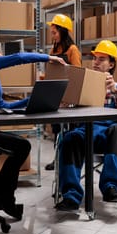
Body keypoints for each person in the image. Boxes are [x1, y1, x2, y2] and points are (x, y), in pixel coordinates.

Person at [0, 38, 66, 220]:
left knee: (20, 146)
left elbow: (1, 104)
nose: (1, 54)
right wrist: (47, 58)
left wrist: (33, 99)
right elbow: (18, 57)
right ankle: (3, 195)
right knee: (22, 146)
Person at [56, 40, 117, 211]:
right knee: (69, 138)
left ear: (111, 64)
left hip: (108, 135)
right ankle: (71, 195)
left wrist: (114, 91)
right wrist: (67, 104)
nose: (96, 62)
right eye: (95, 58)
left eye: (101, 59)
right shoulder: (84, 86)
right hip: (85, 131)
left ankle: (111, 187)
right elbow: (71, 111)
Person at [45, 13, 82, 170]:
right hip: (56, 94)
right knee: (57, 129)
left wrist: (71, 98)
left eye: (54, 32)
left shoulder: (72, 50)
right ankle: (57, 158)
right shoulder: (54, 49)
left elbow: (77, 74)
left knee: (69, 130)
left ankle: (69, 160)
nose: (52, 36)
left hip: (69, 96)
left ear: (64, 31)